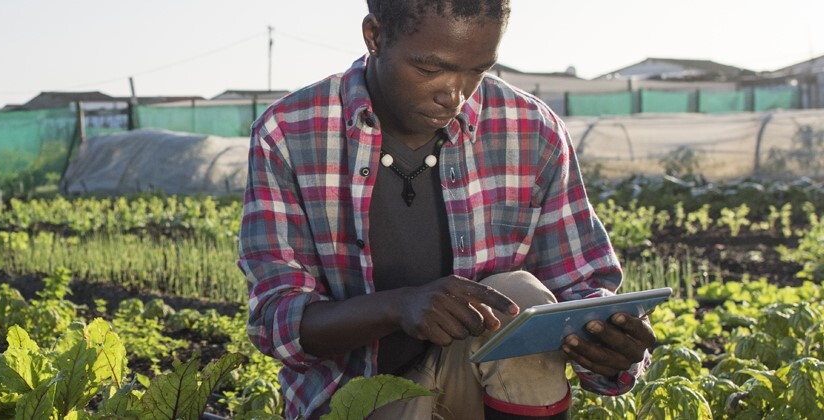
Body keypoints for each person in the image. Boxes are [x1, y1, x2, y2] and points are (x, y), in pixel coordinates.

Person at [238, 1, 657, 418]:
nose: (453, 94)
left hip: (477, 387)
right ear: (375, 36)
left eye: (477, 70)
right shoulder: (290, 133)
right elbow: (278, 320)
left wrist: (608, 342)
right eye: (429, 69)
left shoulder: (532, 130)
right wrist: (397, 306)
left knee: (519, 295)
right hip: (358, 398)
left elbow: (581, 285)